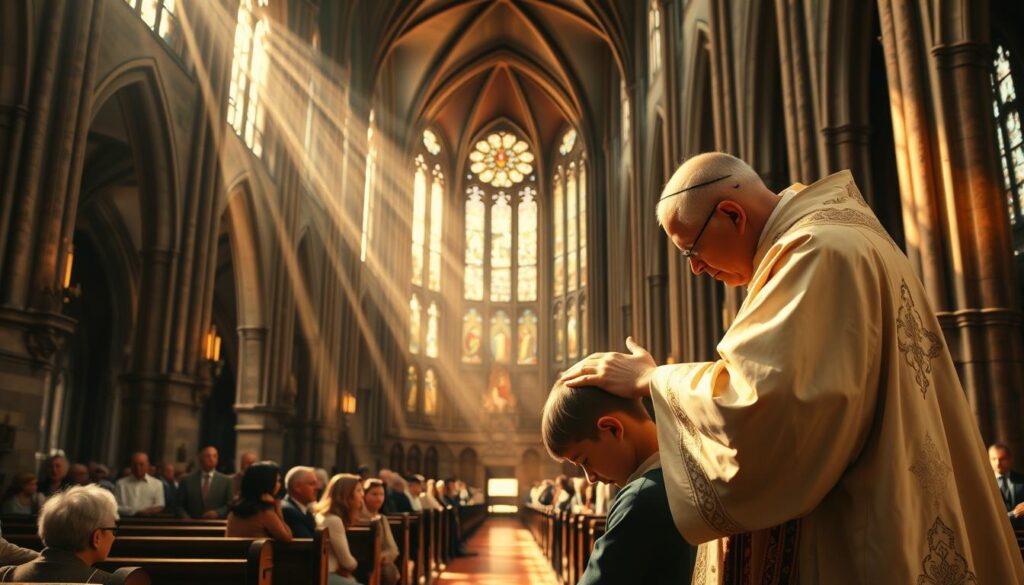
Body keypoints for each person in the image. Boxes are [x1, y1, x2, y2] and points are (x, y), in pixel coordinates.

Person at [559, 152, 1024, 582]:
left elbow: (766, 409)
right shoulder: (842, 238)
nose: (696, 270)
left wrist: (653, 378)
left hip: (859, 536)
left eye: (691, 251)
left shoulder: (813, 253)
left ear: (732, 214)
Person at [542, 383, 694, 584]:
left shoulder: (639, 498)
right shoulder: (689, 472)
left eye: (585, 461)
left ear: (612, 429)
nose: (590, 478)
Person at [0, 485, 118, 583]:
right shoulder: (109, 582)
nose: (113, 537)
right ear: (96, 538)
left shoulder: (6, 576)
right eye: (113, 530)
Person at [314, 474, 362, 585]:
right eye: (359, 491)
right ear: (346, 495)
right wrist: (356, 564)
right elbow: (347, 562)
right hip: (327, 575)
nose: (362, 495)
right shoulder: (334, 520)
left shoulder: (325, 515)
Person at [225, 461, 292, 540]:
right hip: (257, 552)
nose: (279, 484)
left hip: (233, 552)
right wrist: (277, 509)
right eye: (277, 481)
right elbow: (287, 537)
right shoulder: (265, 513)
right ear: (267, 483)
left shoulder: (235, 511)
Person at [358, 479, 399, 585]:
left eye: (381, 494)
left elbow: (393, 548)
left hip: (379, 562)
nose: (379, 498)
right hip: (359, 562)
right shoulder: (355, 516)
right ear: (364, 495)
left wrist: (379, 558)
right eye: (374, 494)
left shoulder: (382, 519)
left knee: (387, 571)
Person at [178, 446, 232, 518]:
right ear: (200, 459)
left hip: (215, 524)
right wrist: (184, 517)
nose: (211, 459)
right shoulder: (187, 480)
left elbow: (229, 504)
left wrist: (217, 512)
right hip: (191, 523)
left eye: (215, 456)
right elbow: (178, 505)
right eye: (208, 456)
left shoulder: (225, 480)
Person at [113, 452, 164, 517]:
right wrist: (136, 511)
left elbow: (159, 505)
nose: (138, 468)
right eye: (135, 465)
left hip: (148, 521)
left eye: (141, 465)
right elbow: (116, 506)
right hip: (125, 521)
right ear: (131, 466)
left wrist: (148, 511)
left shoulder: (157, 484)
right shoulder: (120, 483)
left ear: (147, 465)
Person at [989, 443, 1024, 530]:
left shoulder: (1022, 479)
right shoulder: (984, 484)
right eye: (994, 459)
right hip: (996, 531)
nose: (998, 463)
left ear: (1010, 459)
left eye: (1002, 459)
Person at [281, 466, 319, 538]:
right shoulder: (288, 511)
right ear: (297, 487)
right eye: (312, 484)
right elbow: (307, 543)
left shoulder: (304, 510)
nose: (317, 488)